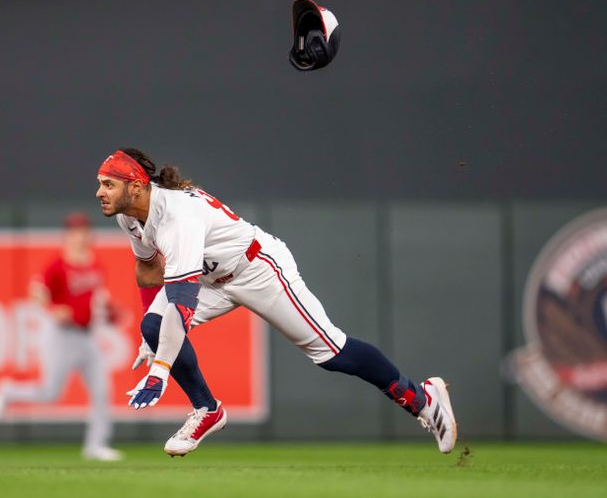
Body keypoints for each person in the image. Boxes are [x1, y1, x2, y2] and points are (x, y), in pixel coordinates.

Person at [95, 148, 457, 457]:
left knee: (333, 354)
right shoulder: (131, 215)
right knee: (155, 325)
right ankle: (207, 409)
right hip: (210, 278)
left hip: (256, 268)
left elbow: (182, 302)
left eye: (108, 183)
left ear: (137, 185)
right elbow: (147, 268)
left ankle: (422, 398)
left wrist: (159, 370)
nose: (100, 192)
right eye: (100, 183)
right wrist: (150, 334)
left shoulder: (178, 218)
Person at [0, 213, 125, 462]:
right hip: (61, 335)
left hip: (87, 336)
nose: (80, 236)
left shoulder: (95, 263)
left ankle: (96, 445)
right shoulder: (58, 265)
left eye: (83, 231)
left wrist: (109, 312)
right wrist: (51, 308)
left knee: (103, 391)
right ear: (68, 236)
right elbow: (36, 291)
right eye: (75, 232)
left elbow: (95, 299)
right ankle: (7, 391)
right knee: (50, 393)